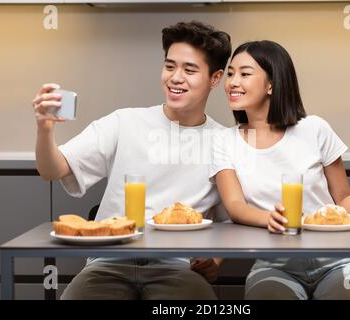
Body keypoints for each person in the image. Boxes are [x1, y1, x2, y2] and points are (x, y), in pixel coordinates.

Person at [32, 21, 231, 299]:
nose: (175, 77)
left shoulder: (225, 142)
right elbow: (52, 170)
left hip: (177, 268)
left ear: (215, 78)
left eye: (189, 69)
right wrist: (44, 128)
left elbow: (229, 223)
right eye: (170, 66)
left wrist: (214, 262)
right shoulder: (124, 122)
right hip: (107, 263)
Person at [210, 40, 350, 300]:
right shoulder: (224, 141)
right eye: (231, 73)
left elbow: (343, 196)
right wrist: (268, 218)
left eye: (245, 74)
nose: (232, 81)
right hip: (274, 265)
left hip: (338, 261)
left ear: (271, 84)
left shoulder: (314, 128)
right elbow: (235, 206)